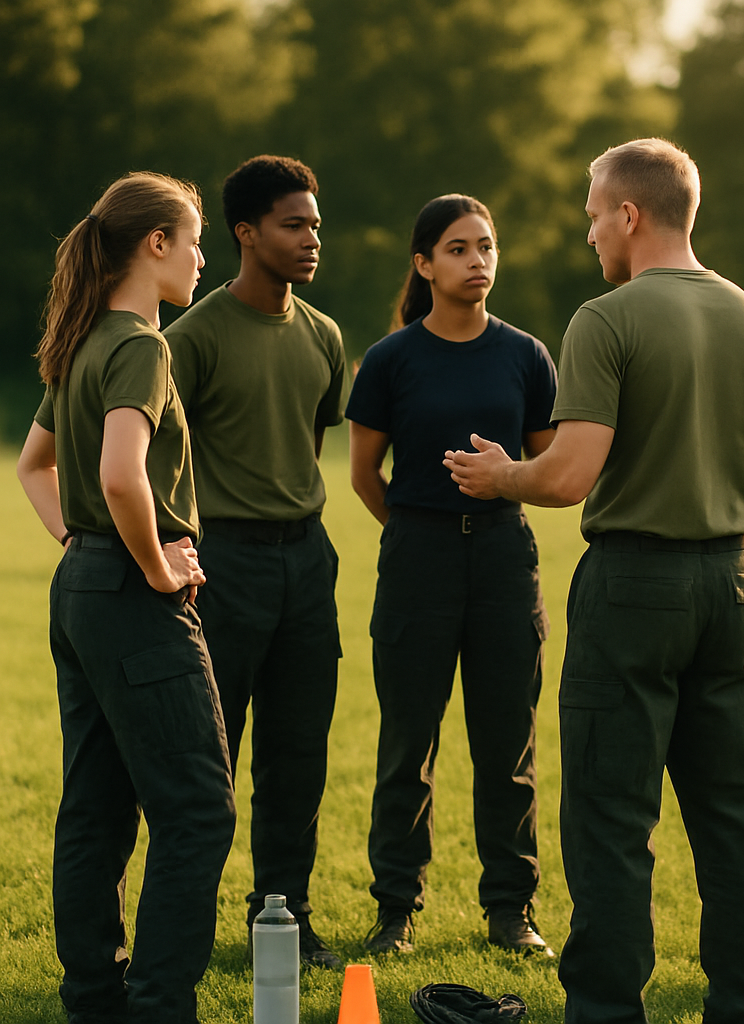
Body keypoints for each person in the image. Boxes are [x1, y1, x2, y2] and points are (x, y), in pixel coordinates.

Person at [445, 139, 744, 1024]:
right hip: (736, 584)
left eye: (595, 212)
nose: (589, 231)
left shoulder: (606, 319)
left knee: (610, 817)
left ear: (632, 215)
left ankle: (606, 1010)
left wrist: (502, 479)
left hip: (634, 586)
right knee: (735, 815)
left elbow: (565, 477)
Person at [16, 172, 236, 1023]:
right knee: (197, 813)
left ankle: (94, 1004)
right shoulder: (142, 344)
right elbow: (118, 473)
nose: (200, 256)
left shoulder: (82, 341)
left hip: (81, 593)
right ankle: (157, 1008)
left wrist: (80, 546)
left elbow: (35, 466)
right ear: (155, 245)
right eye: (193, 239)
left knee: (96, 811)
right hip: (131, 599)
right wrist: (152, 566)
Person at [346, 194, 558, 956]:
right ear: (424, 264)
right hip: (418, 561)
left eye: (487, 247)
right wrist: (417, 528)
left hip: (504, 557)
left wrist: (504, 481)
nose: (478, 261)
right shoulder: (391, 359)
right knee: (408, 746)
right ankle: (396, 910)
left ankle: (511, 912)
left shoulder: (526, 354)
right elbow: (365, 474)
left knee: (509, 748)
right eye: (460, 248)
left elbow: (549, 466)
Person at [164, 155, 347, 969]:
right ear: (246, 234)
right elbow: (160, 459)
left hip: (307, 562)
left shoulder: (325, 336)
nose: (312, 240)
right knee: (212, 754)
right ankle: (186, 928)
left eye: (314, 224)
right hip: (222, 564)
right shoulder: (190, 338)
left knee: (298, 752)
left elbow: (306, 445)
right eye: (293, 225)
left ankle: (285, 917)